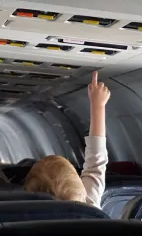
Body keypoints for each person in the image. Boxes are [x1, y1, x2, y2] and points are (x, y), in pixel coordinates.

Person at [24, 71, 110, 208]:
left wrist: (98, 106)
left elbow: (96, 163)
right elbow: (96, 162)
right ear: (81, 190)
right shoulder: (89, 207)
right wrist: (98, 105)